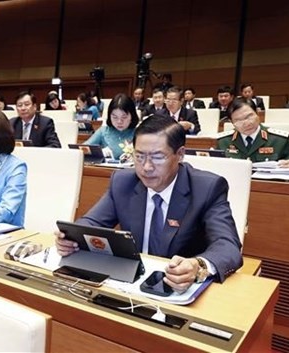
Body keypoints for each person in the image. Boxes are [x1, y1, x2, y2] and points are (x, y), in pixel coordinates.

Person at [56, 114, 243, 293]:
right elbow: (90, 223)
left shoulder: (207, 188)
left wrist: (198, 265)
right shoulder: (123, 181)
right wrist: (70, 238)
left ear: (180, 154)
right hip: (132, 283)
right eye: (139, 156)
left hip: (177, 287)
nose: (146, 167)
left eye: (157, 157)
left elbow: (228, 246)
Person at [217, 99, 289, 168]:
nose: (246, 123)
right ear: (231, 122)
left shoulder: (280, 140)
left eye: (249, 116)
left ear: (257, 113)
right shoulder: (223, 141)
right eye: (238, 120)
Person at [84, 94, 138, 160]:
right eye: (115, 117)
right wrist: (99, 152)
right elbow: (82, 149)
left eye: (124, 117)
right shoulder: (103, 131)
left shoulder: (139, 133)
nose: (119, 121)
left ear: (132, 116)